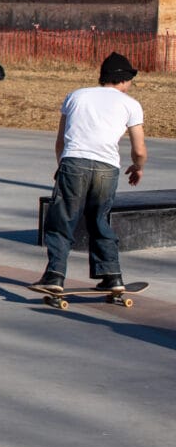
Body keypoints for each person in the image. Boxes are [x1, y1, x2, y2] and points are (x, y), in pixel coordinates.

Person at [32, 52, 148, 297]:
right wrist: (138, 167)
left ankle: (55, 275)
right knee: (99, 220)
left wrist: (62, 165)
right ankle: (112, 276)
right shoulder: (131, 104)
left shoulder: (76, 95)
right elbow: (139, 150)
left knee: (63, 218)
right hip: (107, 168)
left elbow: (60, 141)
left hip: (74, 162)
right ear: (124, 80)